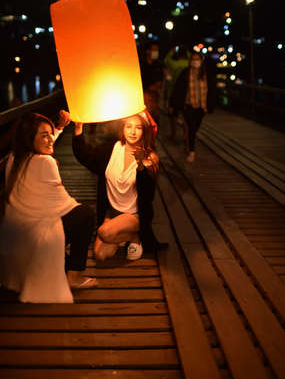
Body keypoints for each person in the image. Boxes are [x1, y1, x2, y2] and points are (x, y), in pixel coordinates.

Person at [0, 112, 98, 303]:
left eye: (50, 134)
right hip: (35, 241)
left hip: (14, 246)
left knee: (55, 249)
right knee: (84, 214)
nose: (51, 139)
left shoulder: (14, 158)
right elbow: (65, 205)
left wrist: (59, 128)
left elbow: (40, 145)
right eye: (45, 135)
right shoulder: (45, 162)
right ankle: (74, 277)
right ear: (30, 138)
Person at [71, 110, 163, 262]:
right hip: (112, 213)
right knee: (100, 255)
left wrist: (140, 165)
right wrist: (78, 129)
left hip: (134, 215)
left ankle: (137, 234)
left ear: (144, 131)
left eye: (138, 127)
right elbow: (87, 157)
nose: (132, 132)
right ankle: (127, 236)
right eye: (128, 126)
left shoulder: (150, 156)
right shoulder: (112, 149)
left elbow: (148, 193)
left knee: (104, 232)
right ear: (123, 128)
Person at [169, 51, 208, 163]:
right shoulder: (186, 73)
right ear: (190, 61)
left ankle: (189, 143)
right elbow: (178, 89)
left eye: (198, 59)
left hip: (201, 107)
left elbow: (212, 89)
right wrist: (172, 104)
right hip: (188, 105)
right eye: (193, 59)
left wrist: (210, 105)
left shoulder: (205, 73)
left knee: (195, 128)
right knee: (191, 127)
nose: (195, 61)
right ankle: (192, 152)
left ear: (201, 61)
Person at [164, 46, 191, 140]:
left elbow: (166, 60)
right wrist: (187, 51)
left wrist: (172, 51)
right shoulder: (188, 64)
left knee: (173, 115)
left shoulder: (174, 64)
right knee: (185, 116)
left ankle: (173, 134)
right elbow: (191, 56)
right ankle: (185, 135)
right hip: (186, 93)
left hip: (174, 92)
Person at [139, 42, 166, 124]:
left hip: (154, 97)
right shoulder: (141, 64)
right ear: (147, 51)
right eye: (154, 50)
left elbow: (159, 82)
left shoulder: (159, 65)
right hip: (141, 96)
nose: (156, 52)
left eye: (157, 50)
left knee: (153, 119)